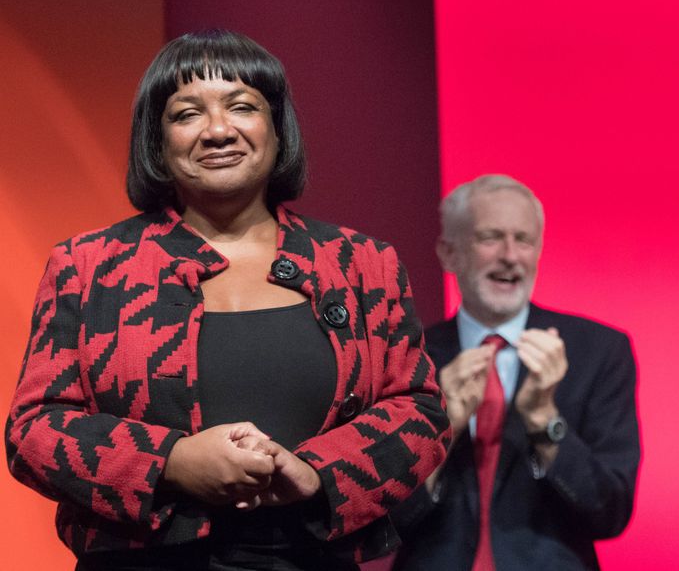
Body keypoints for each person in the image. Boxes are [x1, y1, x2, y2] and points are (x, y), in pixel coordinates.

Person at [5, 30, 450, 570]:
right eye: (187, 114)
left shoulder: (361, 263)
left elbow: (420, 411)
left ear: (277, 129)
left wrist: (316, 472)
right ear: (157, 140)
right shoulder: (87, 265)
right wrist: (169, 461)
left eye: (242, 107)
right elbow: (35, 428)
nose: (218, 130)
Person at [391, 174, 640, 570]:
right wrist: (446, 427)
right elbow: (383, 518)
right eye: (490, 237)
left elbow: (610, 512)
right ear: (448, 253)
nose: (510, 255)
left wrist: (546, 420)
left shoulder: (599, 351)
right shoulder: (406, 356)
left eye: (523, 240)